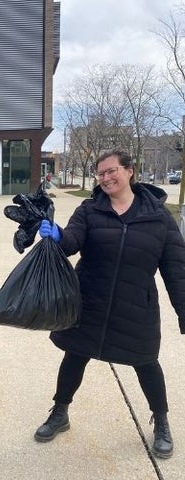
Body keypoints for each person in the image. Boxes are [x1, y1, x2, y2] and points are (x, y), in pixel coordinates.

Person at [36, 149, 185, 459]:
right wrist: (56, 235)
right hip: (89, 301)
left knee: (146, 363)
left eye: (111, 171)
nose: (105, 178)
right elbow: (72, 242)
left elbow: (176, 270)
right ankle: (60, 413)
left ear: (130, 170)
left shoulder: (159, 218)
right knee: (74, 357)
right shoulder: (90, 210)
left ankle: (161, 422)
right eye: (100, 173)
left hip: (136, 307)